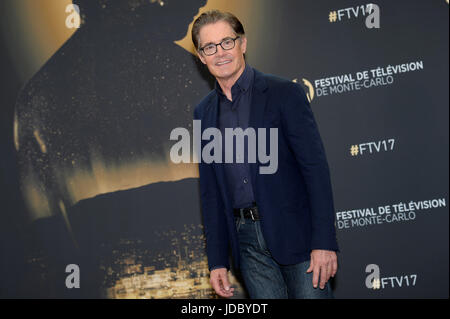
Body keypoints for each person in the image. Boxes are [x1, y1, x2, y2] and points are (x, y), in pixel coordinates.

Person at [192, 10, 339, 299]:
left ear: (243, 44)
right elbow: (210, 192)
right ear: (201, 56)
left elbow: (315, 169)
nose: (220, 53)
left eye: (227, 42)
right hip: (246, 244)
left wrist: (324, 241)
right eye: (209, 47)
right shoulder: (203, 112)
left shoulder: (284, 93)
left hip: (298, 235)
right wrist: (218, 261)